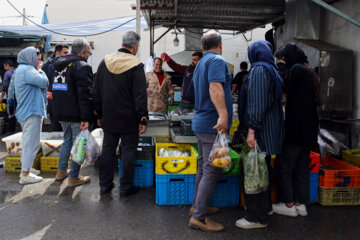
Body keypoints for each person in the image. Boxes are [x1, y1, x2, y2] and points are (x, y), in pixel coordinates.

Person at [236, 40, 284, 229]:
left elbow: (257, 103)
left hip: (260, 132)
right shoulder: (272, 70)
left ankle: (256, 217)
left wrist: (251, 131)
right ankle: (265, 208)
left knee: (253, 171)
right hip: (270, 130)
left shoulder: (259, 71)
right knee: (263, 169)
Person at [94, 31, 148, 197]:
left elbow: (96, 90)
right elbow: (140, 96)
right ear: (135, 46)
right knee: (128, 151)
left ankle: (105, 185)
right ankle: (125, 187)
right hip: (129, 119)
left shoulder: (105, 61)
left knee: (108, 151)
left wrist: (98, 113)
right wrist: (142, 118)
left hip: (109, 117)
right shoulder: (136, 65)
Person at [188, 30, 233, 232]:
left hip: (201, 123)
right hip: (211, 124)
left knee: (202, 168)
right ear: (220, 45)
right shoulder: (216, 60)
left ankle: (197, 206)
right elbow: (215, 86)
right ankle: (199, 217)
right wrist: (223, 115)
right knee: (212, 171)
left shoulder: (200, 64)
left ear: (203, 46)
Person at [272, 43, 320, 217]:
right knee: (301, 168)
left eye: (282, 58)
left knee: (284, 166)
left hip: (296, 129)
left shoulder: (296, 70)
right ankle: (301, 204)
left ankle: (289, 204)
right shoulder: (308, 70)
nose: (281, 61)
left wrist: (281, 69)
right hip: (308, 129)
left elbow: (284, 87)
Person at [52, 39, 93, 187]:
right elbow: (85, 95)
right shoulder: (82, 66)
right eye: (88, 52)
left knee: (67, 141)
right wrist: (85, 117)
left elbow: (55, 90)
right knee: (79, 144)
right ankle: (73, 177)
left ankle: (61, 171)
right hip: (76, 114)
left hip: (61, 112)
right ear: (82, 53)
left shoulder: (57, 65)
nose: (89, 55)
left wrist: (56, 113)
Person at [9, 47, 48, 184]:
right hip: (31, 111)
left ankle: (26, 170)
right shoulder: (28, 70)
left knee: (29, 143)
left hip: (27, 111)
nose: (39, 61)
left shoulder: (21, 69)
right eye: (37, 58)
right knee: (31, 144)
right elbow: (44, 82)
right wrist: (40, 69)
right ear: (29, 58)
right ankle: (25, 174)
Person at [42, 44, 69, 131]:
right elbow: (44, 84)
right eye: (65, 52)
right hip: (52, 103)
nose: (67, 55)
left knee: (66, 131)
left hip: (66, 103)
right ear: (57, 53)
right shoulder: (47, 66)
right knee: (56, 131)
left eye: (68, 53)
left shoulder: (69, 65)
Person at [1, 60, 17, 132]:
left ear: (8, 65)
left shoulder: (8, 73)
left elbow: (5, 86)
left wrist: (1, 97)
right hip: (19, 95)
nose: (4, 68)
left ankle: (11, 130)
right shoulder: (18, 72)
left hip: (11, 96)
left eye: (5, 66)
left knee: (11, 113)